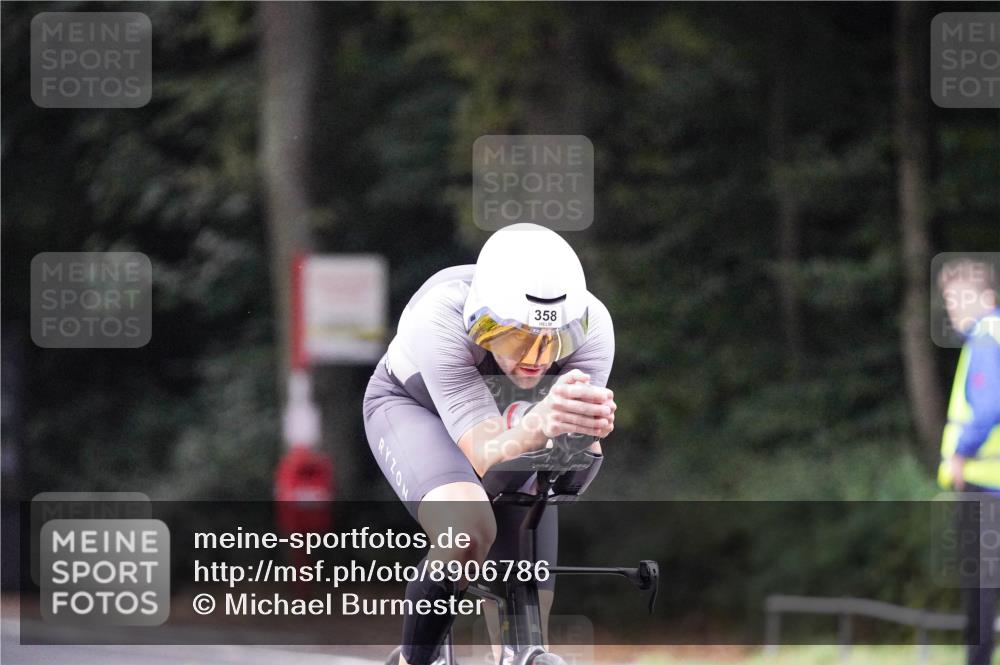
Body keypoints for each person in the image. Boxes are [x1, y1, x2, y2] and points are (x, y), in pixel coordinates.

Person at [363, 223, 616, 665]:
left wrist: (589, 440)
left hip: (515, 426)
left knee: (531, 535)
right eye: (517, 338)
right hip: (414, 409)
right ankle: (414, 660)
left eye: (553, 341)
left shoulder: (594, 330)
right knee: (467, 529)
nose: (536, 358)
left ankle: (517, 654)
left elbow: (567, 481)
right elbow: (482, 454)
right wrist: (542, 422)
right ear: (482, 323)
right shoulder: (439, 317)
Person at [936, 258, 1000, 665]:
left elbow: (990, 404)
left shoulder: (986, 338)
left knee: (979, 595)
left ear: (988, 298)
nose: (953, 309)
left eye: (961, 299)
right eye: (949, 300)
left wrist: (960, 452)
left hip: (986, 488)